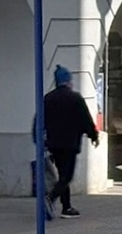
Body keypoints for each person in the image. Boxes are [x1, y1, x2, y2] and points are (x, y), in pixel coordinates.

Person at [42, 65, 99, 218]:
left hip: (53, 144)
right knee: (67, 177)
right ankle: (51, 198)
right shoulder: (75, 98)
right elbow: (85, 120)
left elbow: (40, 120)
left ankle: (66, 207)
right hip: (70, 144)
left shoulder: (48, 98)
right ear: (68, 81)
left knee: (62, 175)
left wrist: (38, 138)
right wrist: (93, 135)